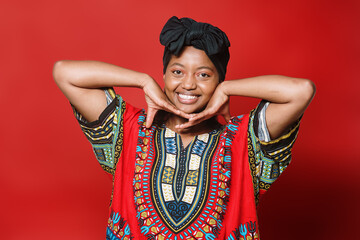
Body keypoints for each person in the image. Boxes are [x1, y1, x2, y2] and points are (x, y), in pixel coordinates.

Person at [53, 16, 315, 240]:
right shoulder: (129, 130)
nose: (189, 84)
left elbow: (301, 91)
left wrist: (229, 88)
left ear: (218, 81)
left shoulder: (244, 141)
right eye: (177, 72)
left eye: (204, 75)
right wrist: (142, 81)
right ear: (164, 75)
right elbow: (65, 72)